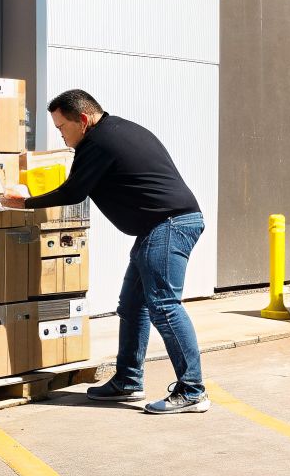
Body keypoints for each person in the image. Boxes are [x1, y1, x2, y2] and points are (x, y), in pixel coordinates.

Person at [12, 89, 209, 415]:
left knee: (163, 306)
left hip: (168, 225)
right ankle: (128, 380)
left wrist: (24, 203)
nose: (61, 135)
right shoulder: (118, 130)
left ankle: (192, 390)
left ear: (84, 120)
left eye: (62, 127)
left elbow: (73, 191)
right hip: (160, 226)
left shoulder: (98, 143)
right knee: (133, 305)